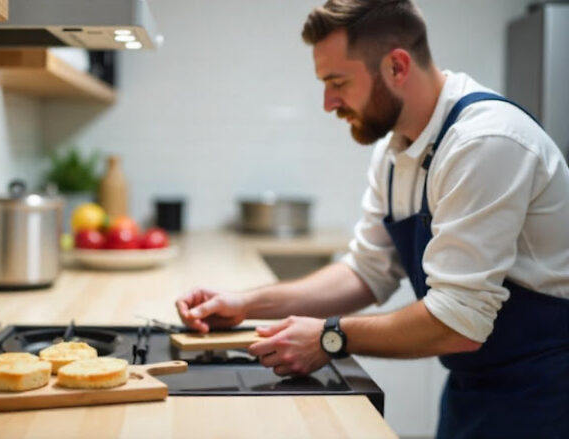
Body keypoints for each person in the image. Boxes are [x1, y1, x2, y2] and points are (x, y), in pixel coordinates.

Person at [175, 1, 569, 438]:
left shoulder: (486, 143)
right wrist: (246, 304)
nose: (328, 103)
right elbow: (366, 272)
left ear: (397, 66)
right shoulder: (395, 151)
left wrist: (331, 337)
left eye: (337, 82)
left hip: (547, 396)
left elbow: (458, 324)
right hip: (472, 390)